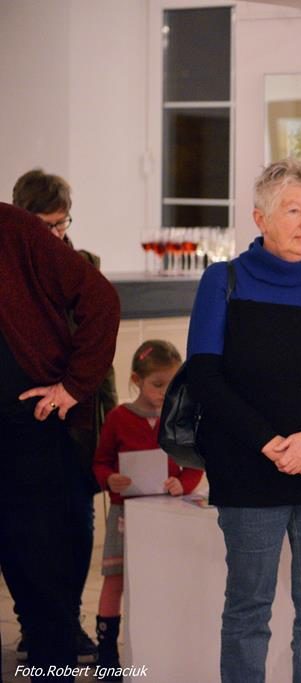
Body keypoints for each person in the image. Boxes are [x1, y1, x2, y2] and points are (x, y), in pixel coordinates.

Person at [186, 158, 301, 683]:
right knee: (249, 608)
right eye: (294, 210)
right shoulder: (222, 281)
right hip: (247, 470)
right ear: (261, 218)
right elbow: (204, 376)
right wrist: (267, 441)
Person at [0, 202, 119, 681]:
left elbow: (101, 300)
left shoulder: (12, 228)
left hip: (27, 431)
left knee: (41, 582)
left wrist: (73, 386)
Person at [91, 340, 203, 681]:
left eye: (171, 384)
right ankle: (107, 651)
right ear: (136, 380)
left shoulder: (180, 418)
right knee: (115, 580)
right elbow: (100, 462)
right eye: (157, 384)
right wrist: (110, 479)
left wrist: (183, 484)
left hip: (167, 516)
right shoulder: (118, 418)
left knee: (160, 578)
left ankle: (161, 645)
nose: (164, 393)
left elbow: (194, 464)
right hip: (125, 516)